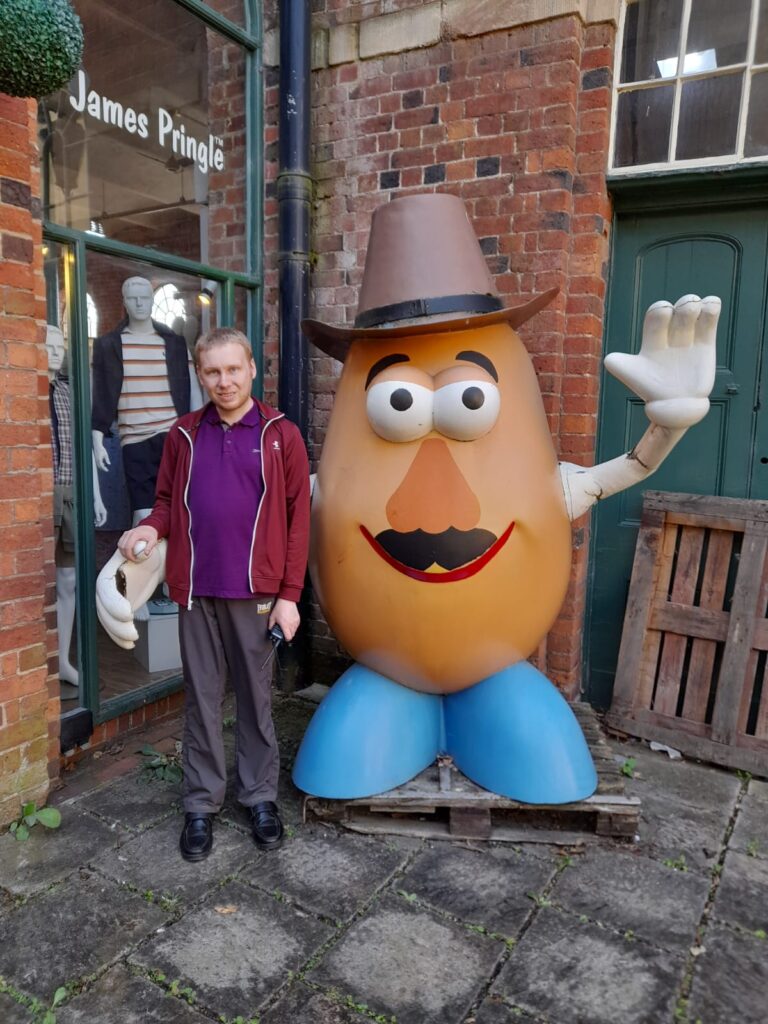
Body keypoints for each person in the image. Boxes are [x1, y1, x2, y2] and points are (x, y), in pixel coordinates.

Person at [117, 327, 310, 861]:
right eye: (212, 372)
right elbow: (163, 502)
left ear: (251, 368)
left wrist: (290, 595)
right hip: (195, 590)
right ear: (200, 375)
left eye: (232, 369)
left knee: (256, 698)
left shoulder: (280, 434)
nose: (223, 381)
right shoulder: (182, 435)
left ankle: (260, 798)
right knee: (201, 701)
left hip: (258, 593)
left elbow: (299, 523)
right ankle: (200, 805)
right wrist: (149, 530)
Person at [92, 276, 203, 526]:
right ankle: (142, 562)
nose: (139, 303)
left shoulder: (173, 343)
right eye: (133, 298)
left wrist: (197, 433)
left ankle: (172, 563)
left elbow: (193, 391)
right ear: (125, 303)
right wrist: (97, 439)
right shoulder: (111, 345)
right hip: (135, 440)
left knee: (179, 508)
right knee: (143, 515)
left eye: (144, 297)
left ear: (152, 301)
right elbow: (101, 396)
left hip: (173, 435)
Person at [46, 324, 107, 699]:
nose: (54, 350)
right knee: (36, 583)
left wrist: (96, 497)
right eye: (46, 343)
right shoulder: (22, 391)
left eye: (59, 344)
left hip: (70, 492)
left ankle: (63, 660)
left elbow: (85, 450)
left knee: (68, 580)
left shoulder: (71, 393)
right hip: (37, 494)